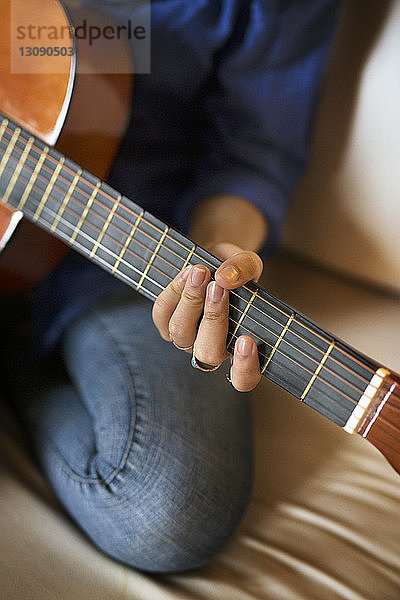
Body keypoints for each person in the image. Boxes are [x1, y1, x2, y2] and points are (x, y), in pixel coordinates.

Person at [5, 0, 341, 573]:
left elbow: (251, 159)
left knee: (169, 505)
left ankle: (19, 367)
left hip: (130, 252)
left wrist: (218, 255)